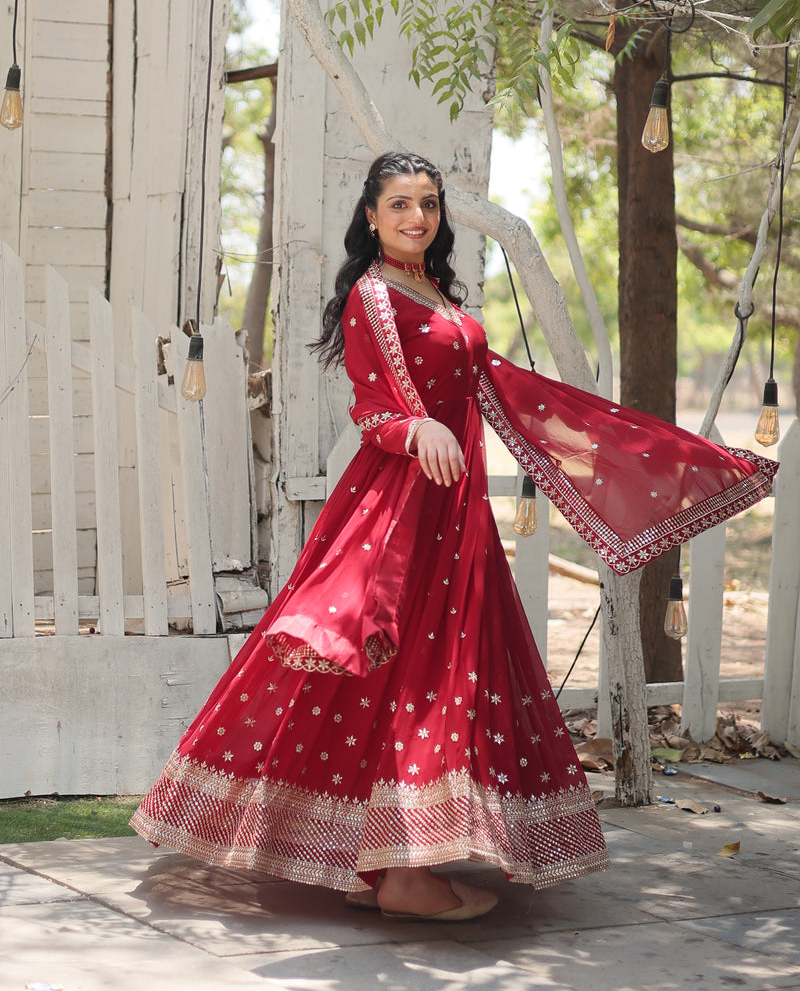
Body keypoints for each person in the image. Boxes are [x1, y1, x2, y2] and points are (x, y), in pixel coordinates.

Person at [131, 151, 777, 921]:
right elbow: (374, 409)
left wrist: (605, 445)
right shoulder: (373, 295)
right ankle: (404, 873)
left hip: (452, 506)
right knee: (411, 671)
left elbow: (480, 381)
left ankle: (401, 855)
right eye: (399, 203)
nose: (416, 217)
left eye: (428, 203)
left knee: (439, 672)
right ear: (369, 216)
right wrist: (414, 431)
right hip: (404, 510)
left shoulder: (427, 286)